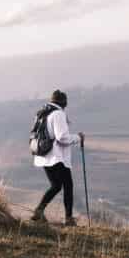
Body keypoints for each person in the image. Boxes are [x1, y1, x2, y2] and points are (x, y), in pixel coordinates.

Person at [31, 89, 83, 227]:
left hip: (42, 156)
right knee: (68, 186)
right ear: (64, 102)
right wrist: (78, 137)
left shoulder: (41, 113)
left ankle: (39, 211)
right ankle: (68, 219)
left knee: (55, 185)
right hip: (57, 157)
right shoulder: (58, 114)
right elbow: (62, 138)